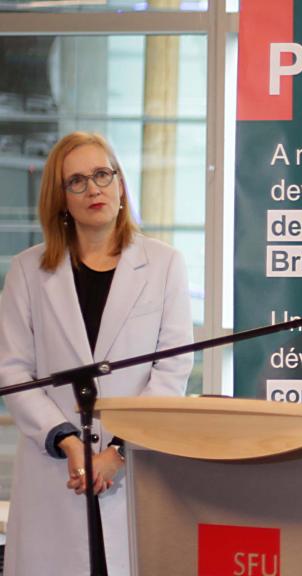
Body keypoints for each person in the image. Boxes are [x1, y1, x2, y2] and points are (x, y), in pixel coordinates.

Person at [0, 131, 193, 575]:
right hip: (56, 472)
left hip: (133, 469)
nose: (94, 189)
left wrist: (116, 453)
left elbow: (172, 370)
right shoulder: (28, 271)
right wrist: (68, 441)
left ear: (121, 185)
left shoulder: (164, 264)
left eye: (103, 175)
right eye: (78, 181)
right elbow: (14, 370)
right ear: (60, 199)